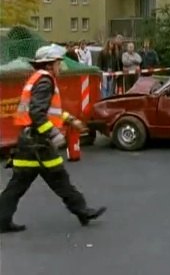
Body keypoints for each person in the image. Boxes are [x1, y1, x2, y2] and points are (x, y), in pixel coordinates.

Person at [0, 45, 106, 233]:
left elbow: (48, 112)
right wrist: (54, 134)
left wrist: (69, 119)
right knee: (58, 178)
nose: (61, 67)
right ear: (49, 65)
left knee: (19, 184)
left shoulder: (37, 79)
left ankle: (2, 221)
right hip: (38, 143)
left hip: (29, 141)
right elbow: (37, 113)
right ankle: (82, 211)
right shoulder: (45, 81)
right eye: (58, 63)